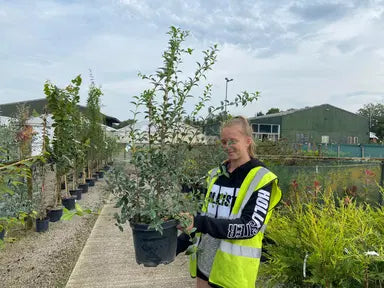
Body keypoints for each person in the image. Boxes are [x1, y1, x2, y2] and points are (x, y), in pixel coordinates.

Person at [177, 116, 282, 288]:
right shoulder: (215, 175)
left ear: (248, 141)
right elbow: (202, 216)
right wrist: (176, 245)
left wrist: (199, 222)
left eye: (233, 141)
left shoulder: (261, 179)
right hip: (205, 266)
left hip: (233, 275)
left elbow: (249, 226)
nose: (227, 146)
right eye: (224, 142)